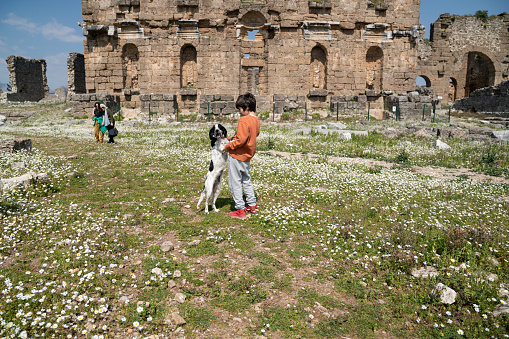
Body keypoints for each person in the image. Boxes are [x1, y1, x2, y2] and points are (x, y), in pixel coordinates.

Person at [222, 93, 260, 219]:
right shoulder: (256, 120)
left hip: (237, 155)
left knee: (235, 183)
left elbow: (240, 140)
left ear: (247, 107)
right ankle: (252, 205)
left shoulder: (244, 120)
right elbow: (254, 134)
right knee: (246, 180)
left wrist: (228, 146)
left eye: (240, 109)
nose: (239, 112)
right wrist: (232, 137)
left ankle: (240, 209)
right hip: (247, 156)